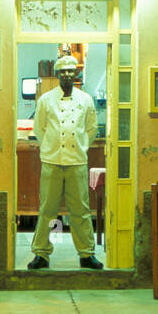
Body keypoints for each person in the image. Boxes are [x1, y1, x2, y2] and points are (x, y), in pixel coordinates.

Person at [28, 53, 103, 270]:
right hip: (51, 162)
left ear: (77, 73)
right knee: (47, 209)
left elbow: (91, 130)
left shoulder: (85, 99)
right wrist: (50, 148)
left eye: (71, 71)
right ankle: (41, 254)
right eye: (63, 71)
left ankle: (87, 254)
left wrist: (81, 148)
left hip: (77, 162)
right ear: (57, 74)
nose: (67, 75)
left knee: (80, 209)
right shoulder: (45, 100)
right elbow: (39, 130)